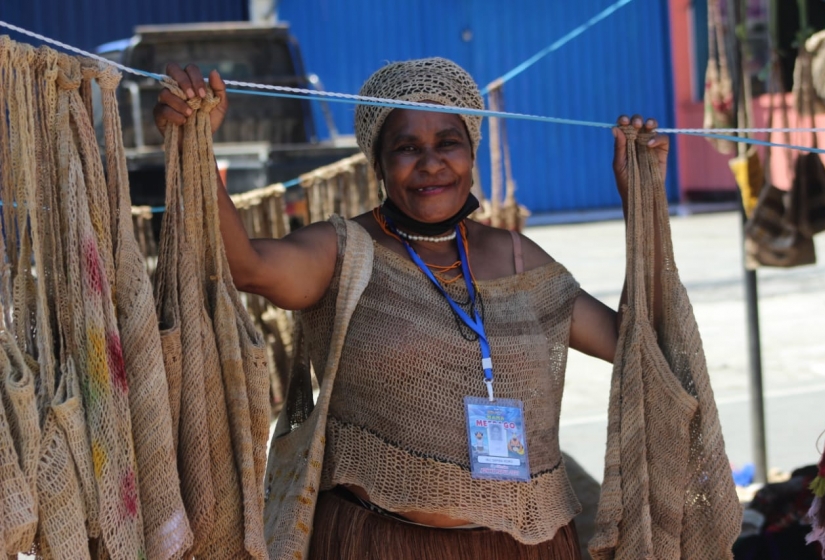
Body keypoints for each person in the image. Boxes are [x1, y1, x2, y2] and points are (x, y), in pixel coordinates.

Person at [154, 57, 669, 560]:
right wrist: (196, 144)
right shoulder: (343, 252)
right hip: (376, 541)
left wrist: (640, 199)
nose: (431, 163)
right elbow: (247, 266)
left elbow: (635, 342)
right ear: (377, 163)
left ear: (472, 151)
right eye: (406, 147)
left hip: (524, 545)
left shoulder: (517, 259)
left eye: (448, 142)